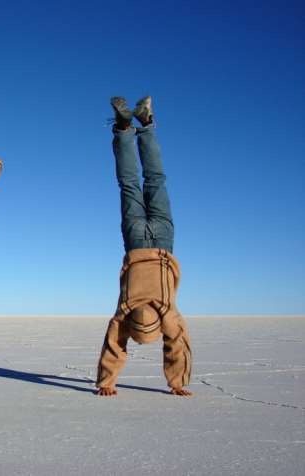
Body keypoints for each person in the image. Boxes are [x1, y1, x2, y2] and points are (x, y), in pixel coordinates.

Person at [95, 96, 192, 397]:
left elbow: (177, 345)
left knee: (155, 181)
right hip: (136, 241)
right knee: (129, 184)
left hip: (162, 242)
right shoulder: (126, 310)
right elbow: (114, 344)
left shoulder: (166, 311)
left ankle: (146, 124)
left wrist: (177, 383)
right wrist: (105, 382)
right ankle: (125, 128)